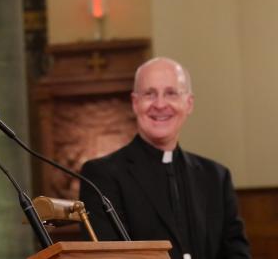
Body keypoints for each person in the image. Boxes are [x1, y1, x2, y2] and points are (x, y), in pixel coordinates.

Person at [79, 57, 250, 259]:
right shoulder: (101, 176)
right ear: (135, 103)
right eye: (149, 94)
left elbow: (236, 254)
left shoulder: (216, 177)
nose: (160, 104)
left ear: (189, 104)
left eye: (171, 93)